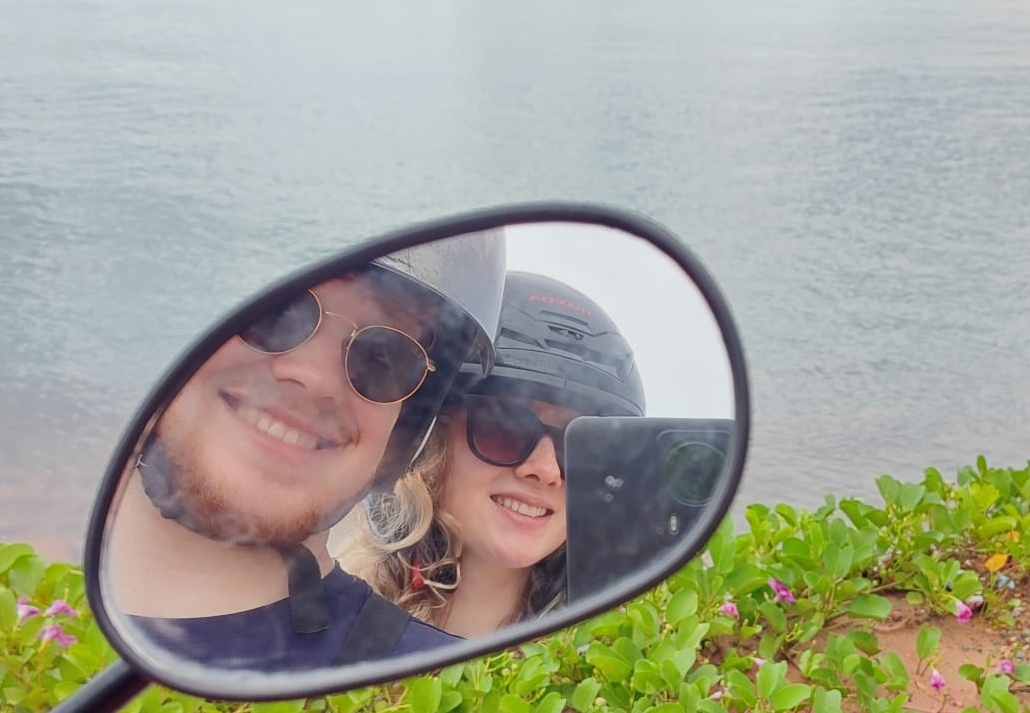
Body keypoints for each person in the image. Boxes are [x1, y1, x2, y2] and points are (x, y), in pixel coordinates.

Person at [105, 232, 506, 673]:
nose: (315, 377)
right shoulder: (41, 621)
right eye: (275, 311)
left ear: (405, 428)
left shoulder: (429, 689)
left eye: (383, 357)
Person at [337, 272, 643, 641]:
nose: (546, 470)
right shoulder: (332, 631)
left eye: (581, 446)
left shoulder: (614, 656)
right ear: (427, 441)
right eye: (506, 427)